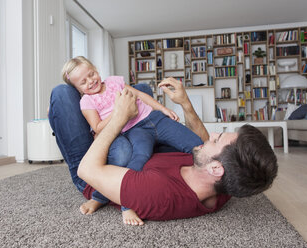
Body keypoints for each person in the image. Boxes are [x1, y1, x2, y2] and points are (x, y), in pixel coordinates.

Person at [75, 77, 278, 226]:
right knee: (142, 89)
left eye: (217, 139)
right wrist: (184, 103)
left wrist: (119, 117)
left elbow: (87, 169)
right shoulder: (229, 179)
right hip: (149, 142)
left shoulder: (157, 191)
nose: (212, 135)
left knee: (63, 95)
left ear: (216, 168)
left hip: (101, 165)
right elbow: (202, 142)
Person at [60, 56, 204, 223]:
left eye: (91, 74)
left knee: (195, 144)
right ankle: (126, 204)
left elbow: (140, 95)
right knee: (138, 158)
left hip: (154, 118)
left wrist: (163, 109)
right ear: (78, 89)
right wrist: (120, 111)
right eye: (83, 82)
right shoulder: (87, 101)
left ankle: (210, 174)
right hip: (133, 130)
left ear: (96, 70)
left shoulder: (114, 82)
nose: (91, 81)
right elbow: (98, 127)